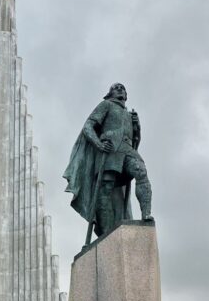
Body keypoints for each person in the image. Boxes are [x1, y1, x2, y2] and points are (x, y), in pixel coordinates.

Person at [63, 82, 153, 241]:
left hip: (126, 149)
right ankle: (108, 232)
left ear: (126, 95)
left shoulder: (129, 114)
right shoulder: (106, 105)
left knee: (141, 172)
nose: (120, 89)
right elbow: (88, 127)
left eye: (122, 88)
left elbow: (136, 142)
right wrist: (98, 144)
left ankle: (146, 214)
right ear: (110, 93)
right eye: (116, 88)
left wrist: (137, 127)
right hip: (109, 150)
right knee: (105, 189)